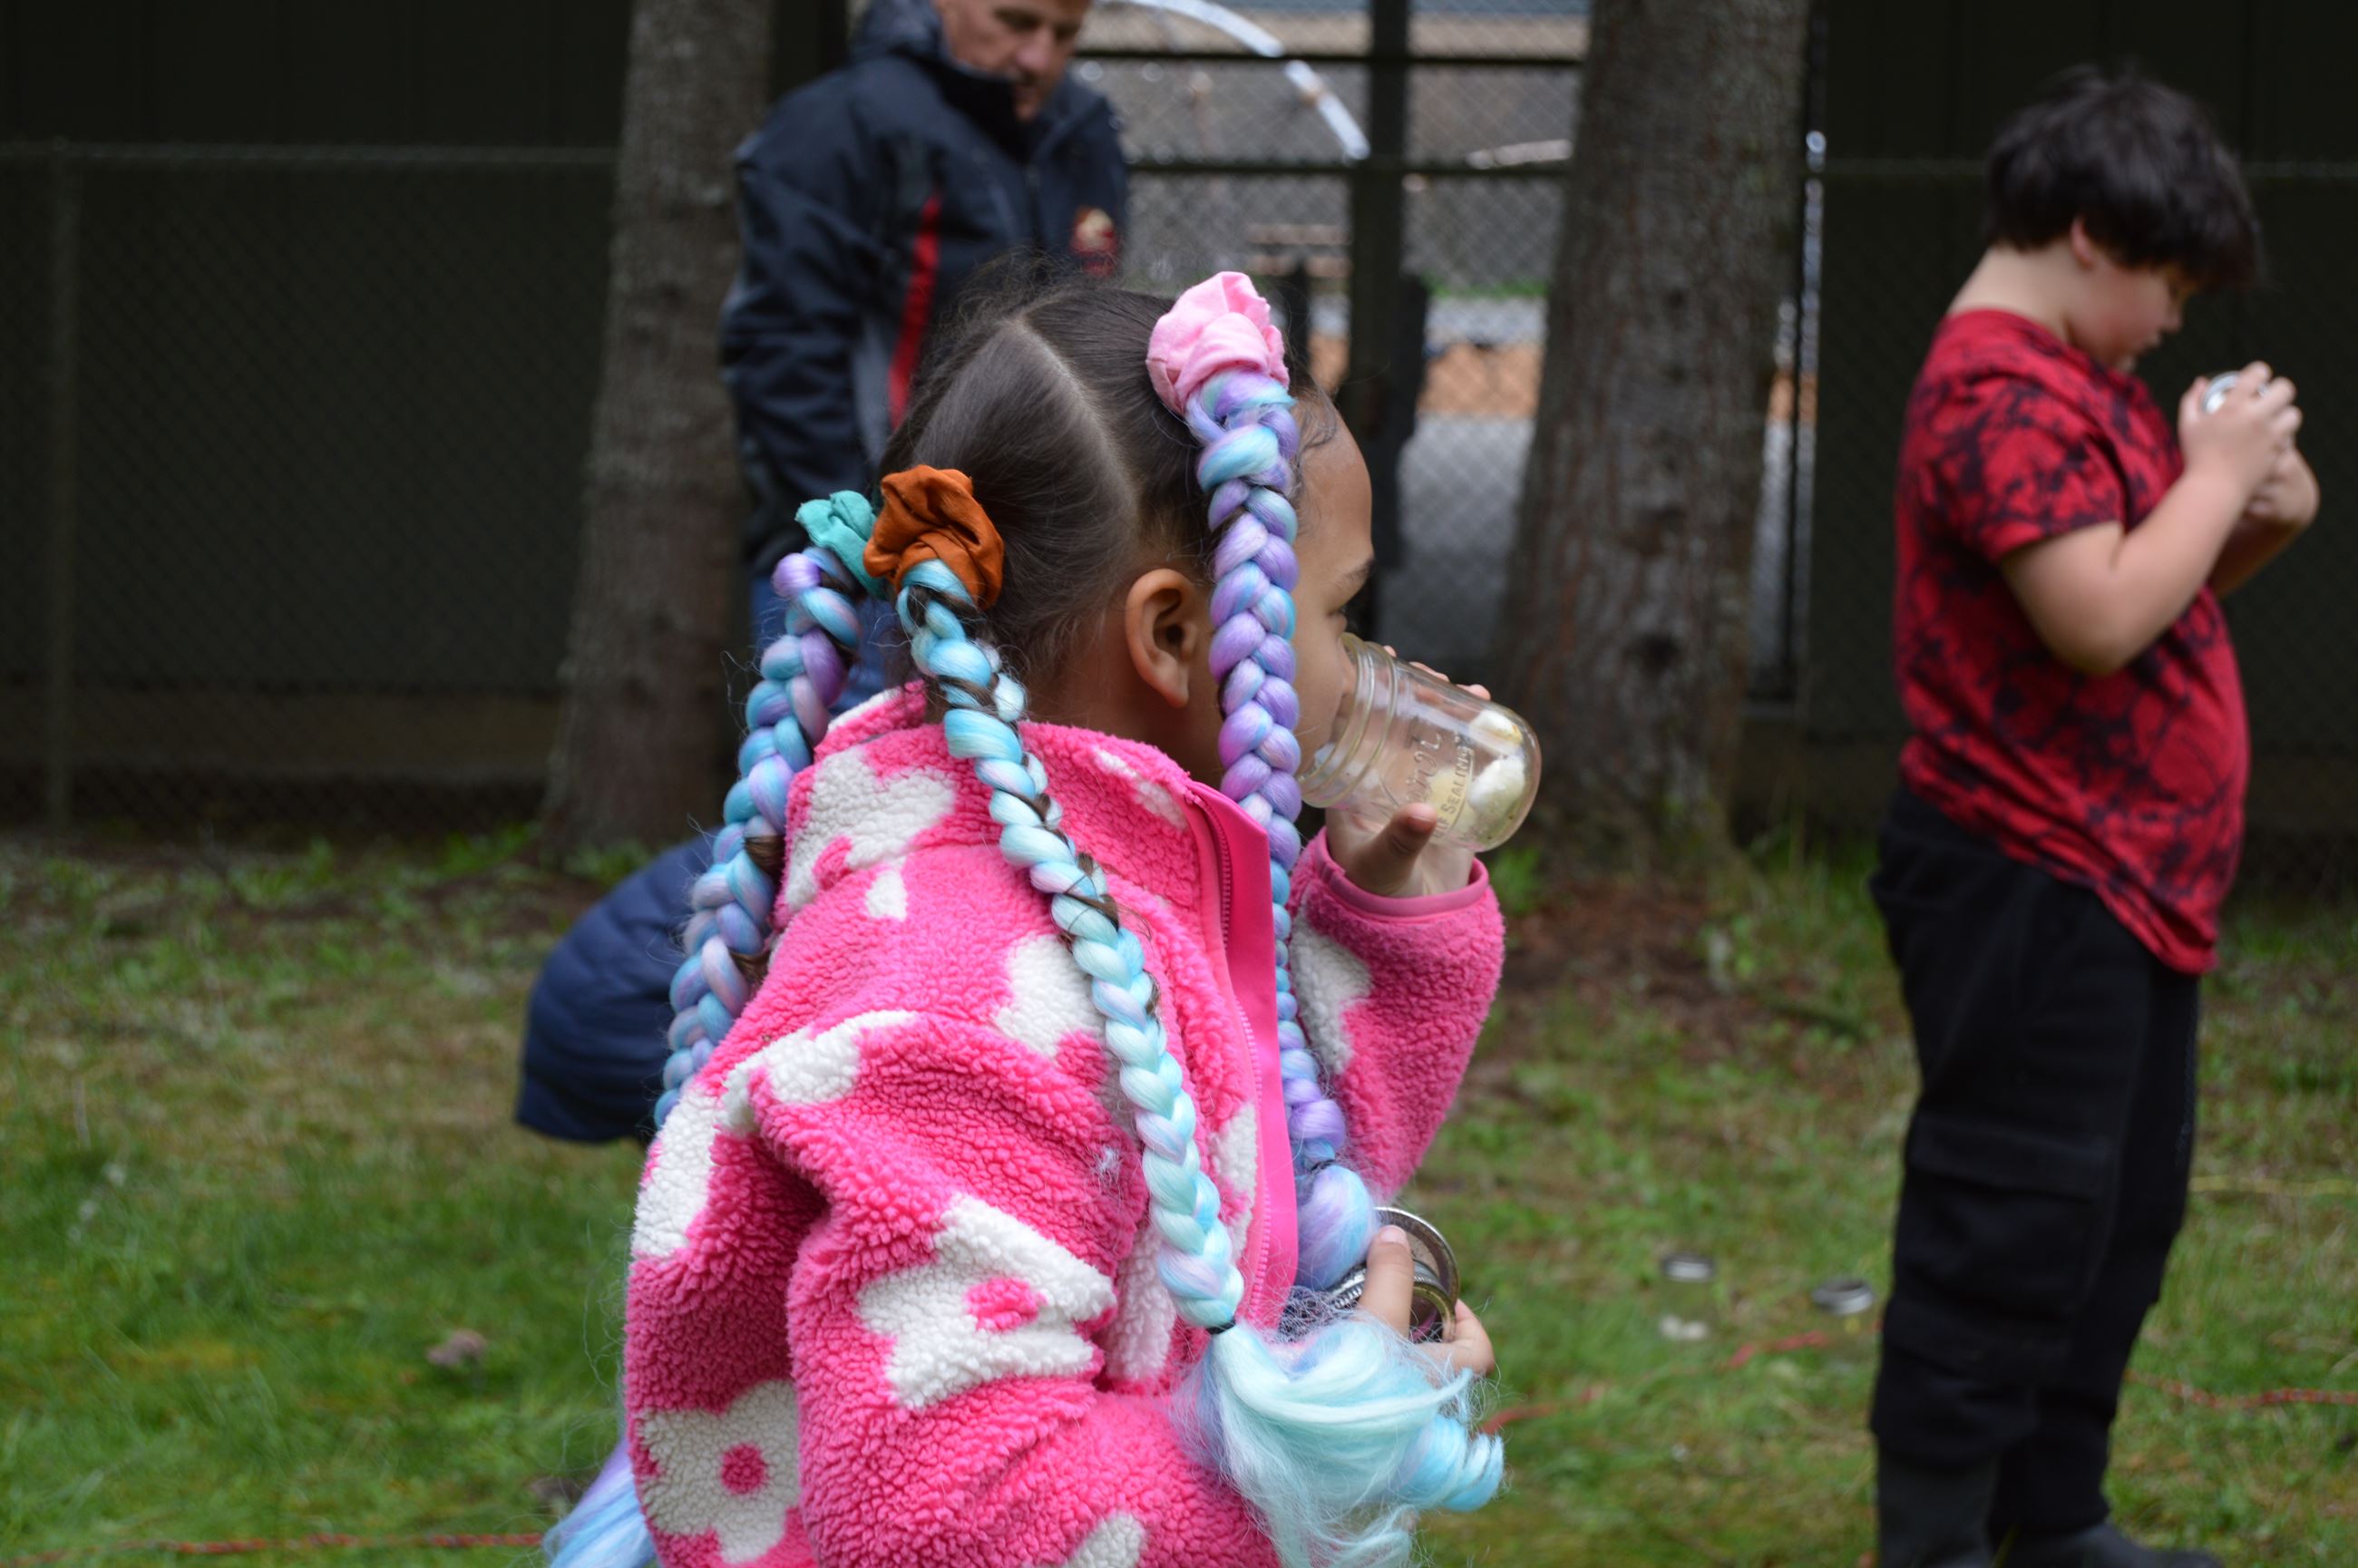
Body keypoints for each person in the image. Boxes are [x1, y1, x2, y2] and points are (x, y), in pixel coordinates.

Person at [543, 274, 1512, 1568]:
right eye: (1335, 616)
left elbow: (1262, 1173)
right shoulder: (951, 998)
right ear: (1175, 634)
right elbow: (956, 1516)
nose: (1360, 668)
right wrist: (1326, 1460)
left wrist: (1387, 924)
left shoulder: (1111, 896)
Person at [515, 0, 1127, 1145]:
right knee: (840, 845)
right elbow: (783, 357)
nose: (1039, 57)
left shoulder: (1084, 132)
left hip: (1031, 587)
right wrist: (878, 547)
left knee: (958, 864)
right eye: (1014, 21)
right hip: (868, 581)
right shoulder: (839, 127)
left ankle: (901, 1123)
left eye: (1065, 31)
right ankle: (634, 1054)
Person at [1868, 67, 2317, 1568]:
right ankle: (1932, 1535)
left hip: (2127, 884)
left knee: (2117, 1217)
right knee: (2009, 1214)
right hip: (2026, 875)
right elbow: (2098, 615)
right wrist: (2216, 471)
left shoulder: (2083, 382)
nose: (2175, 318)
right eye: (2168, 282)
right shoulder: (1993, 393)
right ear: (2085, 237)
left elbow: (2158, 589)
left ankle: (2051, 1513)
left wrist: (2248, 504)